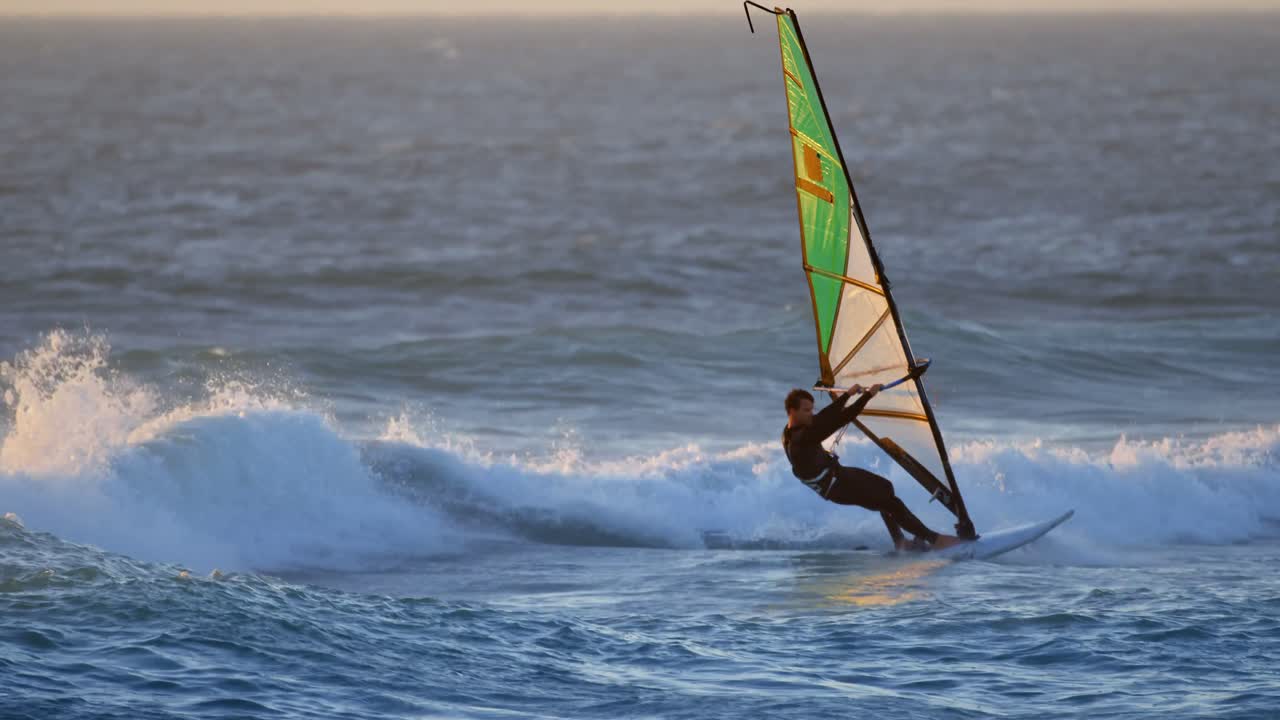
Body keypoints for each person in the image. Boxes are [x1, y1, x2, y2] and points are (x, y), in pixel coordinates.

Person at [782, 385, 963, 551]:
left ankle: (900, 542)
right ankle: (935, 540)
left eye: (811, 409)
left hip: (838, 476)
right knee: (891, 504)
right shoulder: (802, 438)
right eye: (806, 410)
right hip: (837, 487)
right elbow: (843, 418)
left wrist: (847, 395)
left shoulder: (790, 432)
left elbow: (823, 417)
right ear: (792, 411)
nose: (811, 414)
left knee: (886, 488)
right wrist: (867, 396)